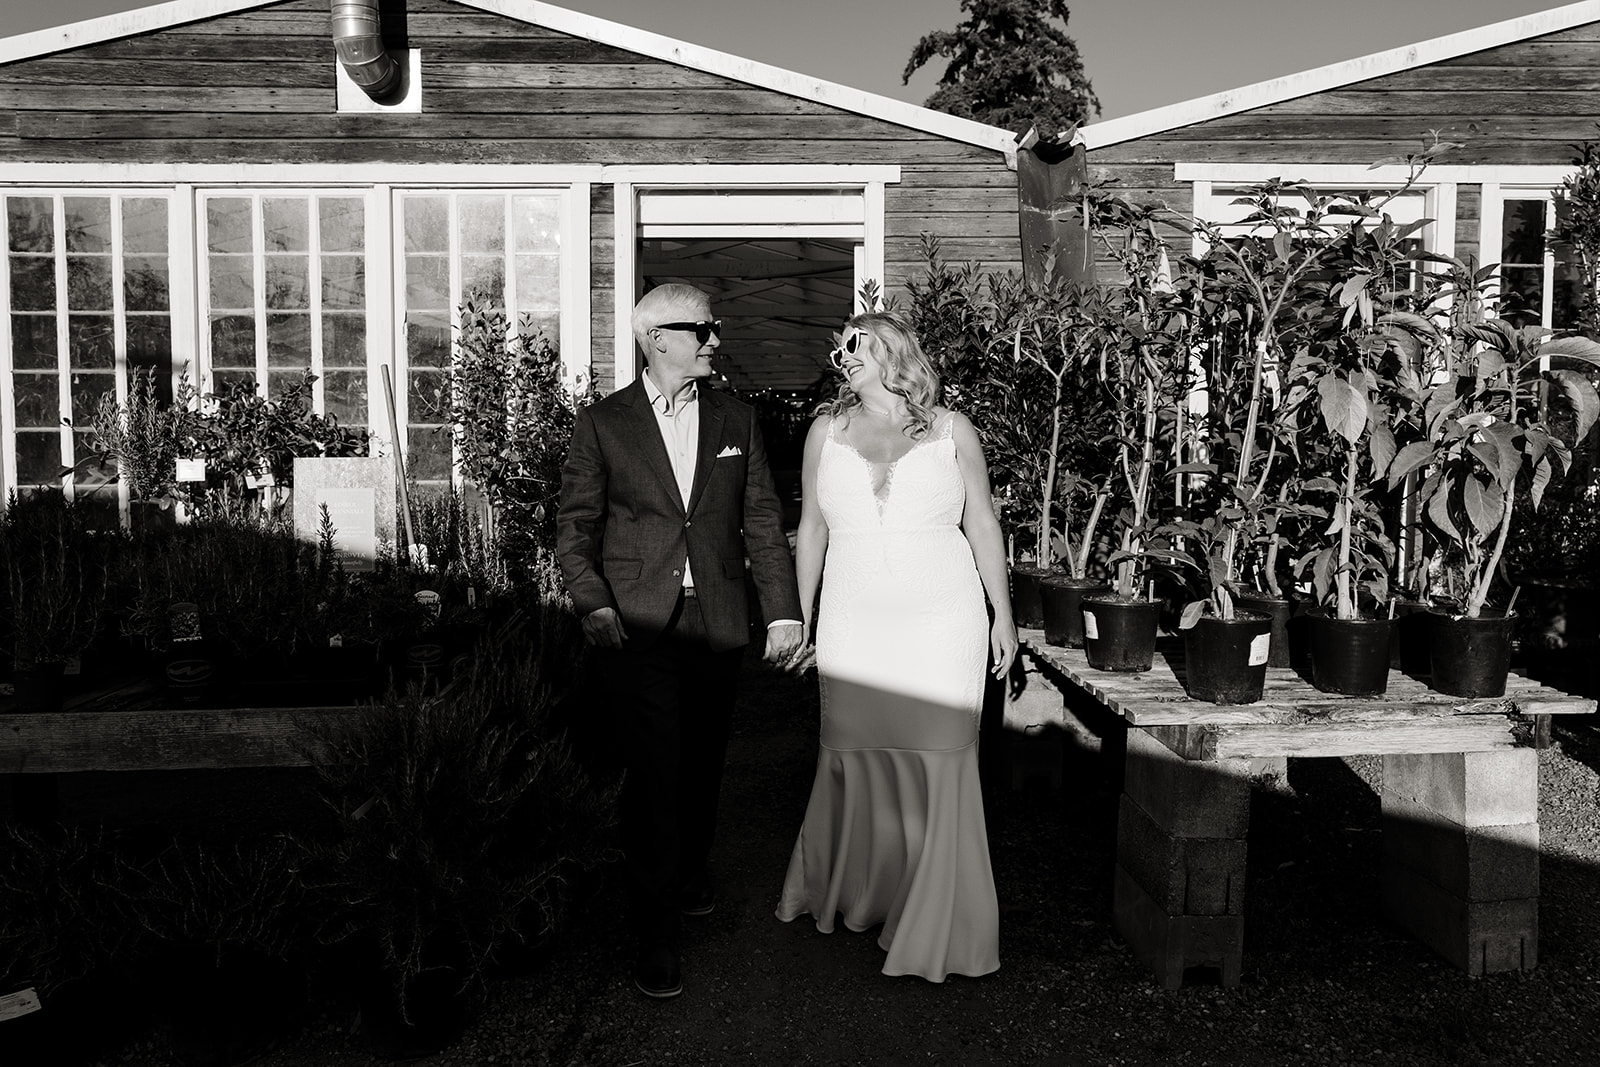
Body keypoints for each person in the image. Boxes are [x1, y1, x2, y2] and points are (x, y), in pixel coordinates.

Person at [557, 283, 805, 1000]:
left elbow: (763, 521)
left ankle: (691, 869)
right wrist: (592, 601)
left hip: (716, 621)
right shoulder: (604, 423)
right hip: (639, 626)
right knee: (652, 777)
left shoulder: (737, 418)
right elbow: (576, 526)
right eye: (704, 329)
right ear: (657, 337)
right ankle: (655, 931)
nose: (715, 340)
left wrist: (782, 613)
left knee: (702, 767)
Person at [775, 310, 1018, 982]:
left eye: (858, 343)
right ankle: (862, 893)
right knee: (853, 754)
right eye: (840, 346)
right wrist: (801, 614)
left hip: (943, 621)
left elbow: (982, 521)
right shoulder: (824, 431)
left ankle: (936, 919)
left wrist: (1003, 615)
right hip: (852, 622)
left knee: (940, 759)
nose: (845, 354)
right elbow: (812, 526)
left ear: (895, 353)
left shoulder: (952, 429)